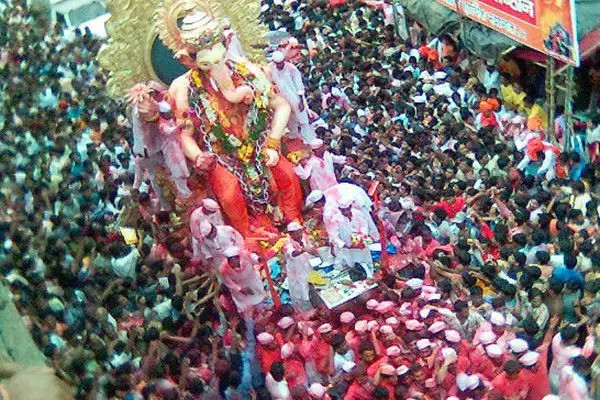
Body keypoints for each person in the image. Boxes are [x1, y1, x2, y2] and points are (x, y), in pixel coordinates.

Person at [267, 50, 316, 145]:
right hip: (283, 97)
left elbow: (299, 85)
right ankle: (293, 135)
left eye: (281, 63)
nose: (279, 65)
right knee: (290, 118)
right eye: (277, 64)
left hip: (295, 97)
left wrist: (301, 101)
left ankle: (309, 139)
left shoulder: (291, 69)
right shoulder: (272, 68)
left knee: (303, 120)